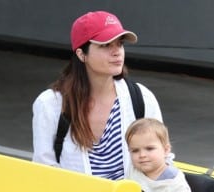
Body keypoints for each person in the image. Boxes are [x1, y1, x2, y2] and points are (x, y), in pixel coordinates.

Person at [32, 10, 163, 180]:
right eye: (106, 45)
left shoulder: (141, 98)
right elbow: (44, 170)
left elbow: (162, 161)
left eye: (120, 44)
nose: (117, 52)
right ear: (81, 54)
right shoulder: (50, 104)